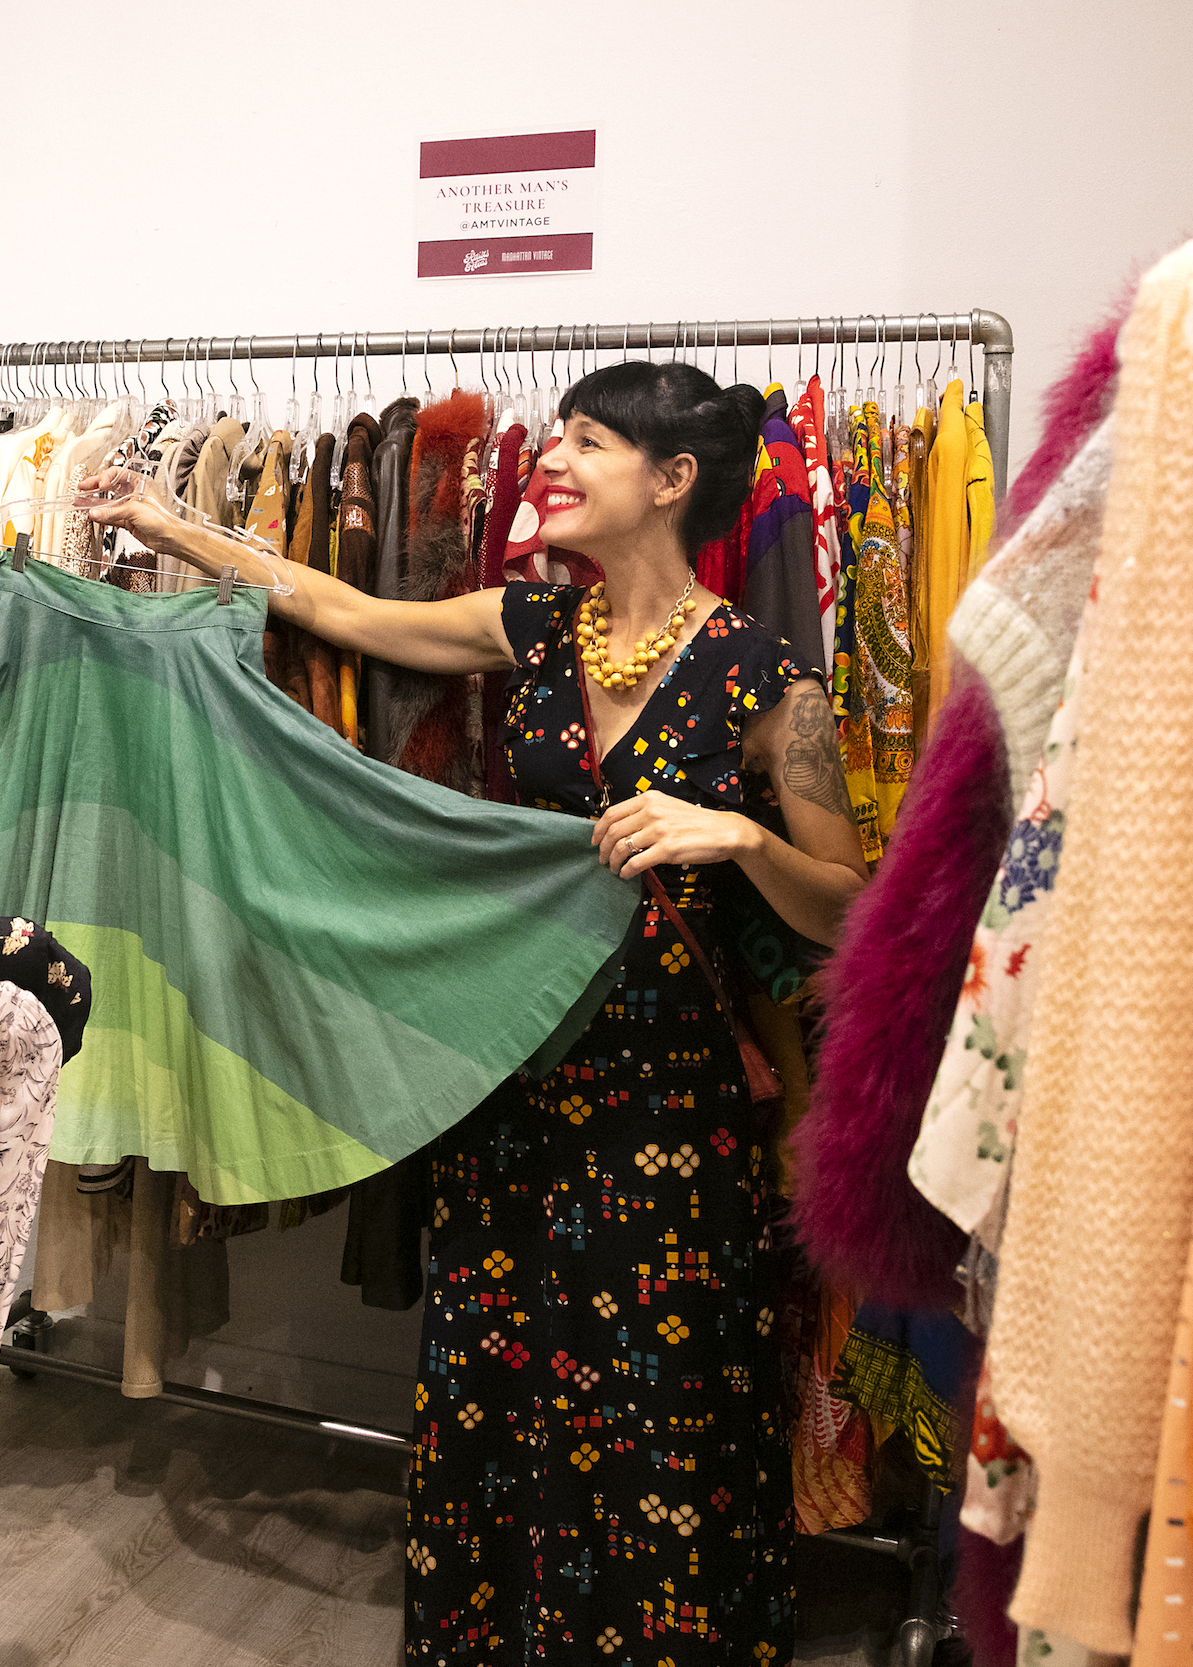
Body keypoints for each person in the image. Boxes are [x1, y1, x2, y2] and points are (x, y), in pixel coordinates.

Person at [88, 359, 867, 1665]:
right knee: (502, 1383)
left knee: (661, 1401)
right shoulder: (536, 627)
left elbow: (847, 905)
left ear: (673, 482)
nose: (551, 462)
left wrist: (734, 836)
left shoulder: (768, 681)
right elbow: (343, 609)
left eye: (587, 443)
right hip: (510, 1071)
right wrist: (171, 529)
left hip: (671, 1098)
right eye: (554, 436)